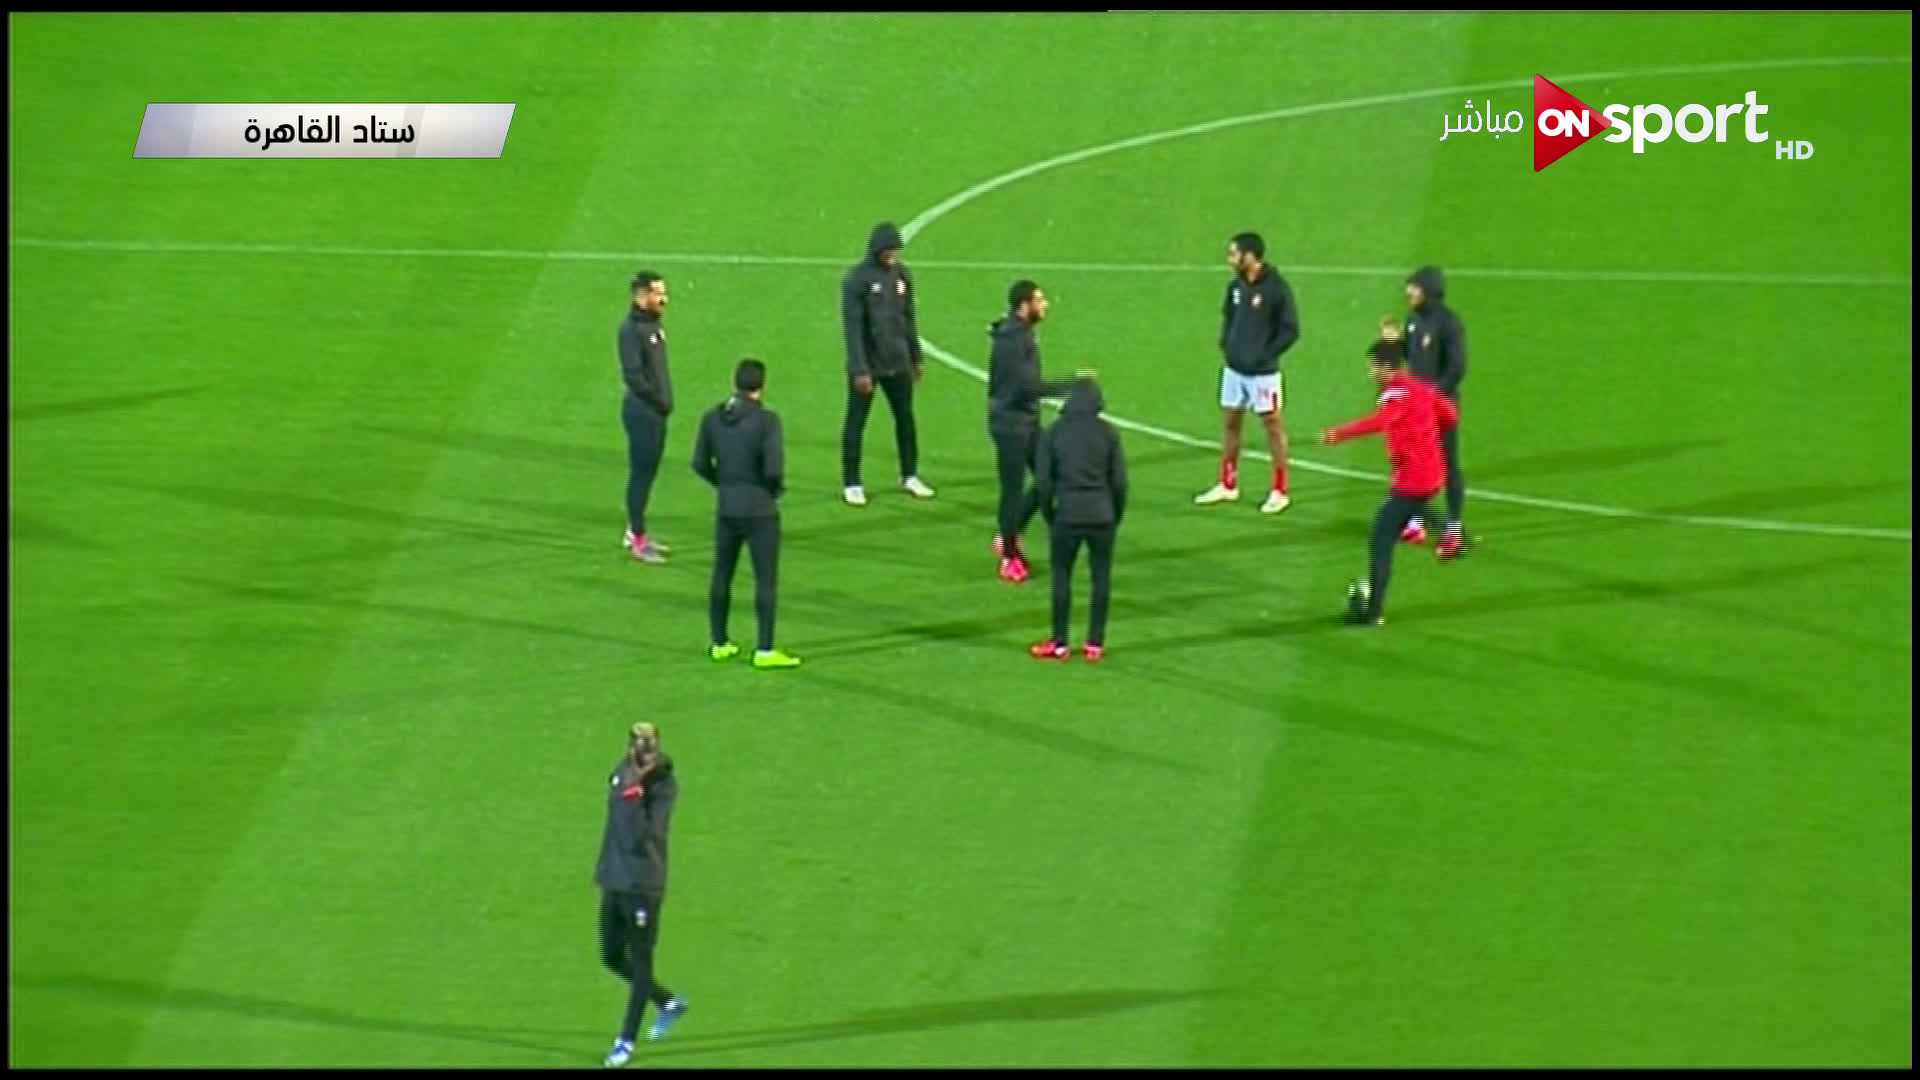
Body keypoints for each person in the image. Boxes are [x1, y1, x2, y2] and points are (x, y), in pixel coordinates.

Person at [1318, 338, 1458, 627]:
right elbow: (1449, 414)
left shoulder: (1394, 394)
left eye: (1373, 367)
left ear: (1386, 367)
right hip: (1433, 473)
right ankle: (1452, 533)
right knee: (1413, 508)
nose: (1370, 373)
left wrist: (1339, 434)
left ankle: (1373, 612)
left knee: (1381, 537)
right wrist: (1426, 439)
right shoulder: (1421, 387)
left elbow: (1381, 420)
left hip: (1413, 479)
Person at [691, 358, 801, 669]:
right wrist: (772, 491)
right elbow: (773, 469)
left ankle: (719, 643)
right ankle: (764, 649)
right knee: (765, 579)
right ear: (761, 386)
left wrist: (724, 484)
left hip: (727, 507)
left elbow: (699, 463)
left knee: (722, 573)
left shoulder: (712, 418)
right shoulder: (767, 421)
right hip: (760, 511)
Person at [596, 722, 687, 1068]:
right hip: (614, 880)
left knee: (641, 962)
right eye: (638, 745)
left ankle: (626, 1041)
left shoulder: (663, 786)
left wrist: (636, 795)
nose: (644, 752)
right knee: (610, 956)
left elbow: (645, 835)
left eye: (649, 745)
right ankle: (667, 1003)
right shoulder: (621, 772)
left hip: (642, 887)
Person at [1194, 231, 1301, 515]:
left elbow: (1290, 330)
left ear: (1250, 256)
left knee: (1273, 428)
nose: (1229, 259)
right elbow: (1228, 317)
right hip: (1234, 370)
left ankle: (1280, 490)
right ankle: (1228, 484)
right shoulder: (1236, 286)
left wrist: (1264, 355)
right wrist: (1228, 345)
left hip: (1263, 375)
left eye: (1234, 254)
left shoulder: (1276, 289)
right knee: (1231, 424)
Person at [1030, 377, 1128, 662]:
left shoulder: (1054, 433)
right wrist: (1115, 514)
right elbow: (1119, 482)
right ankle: (1094, 643)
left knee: (1062, 576)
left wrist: (1049, 514)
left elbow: (1043, 483)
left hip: (1067, 514)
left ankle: (1060, 642)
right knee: (1101, 577)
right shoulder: (1108, 433)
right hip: (1102, 515)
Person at [986, 280, 1077, 584]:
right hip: (1010, 426)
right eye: (1039, 300)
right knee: (1012, 491)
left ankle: (1011, 534)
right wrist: (1071, 386)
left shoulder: (1020, 333)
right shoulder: (1014, 341)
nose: (1045, 304)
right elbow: (1027, 388)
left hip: (1025, 421)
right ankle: (1009, 557)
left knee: (1050, 475)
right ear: (1024, 306)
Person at [839, 221, 935, 507]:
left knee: (905, 418)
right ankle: (852, 482)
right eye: (889, 251)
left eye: (896, 251)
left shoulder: (902, 275)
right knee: (856, 423)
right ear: (877, 250)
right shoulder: (857, 280)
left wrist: (916, 357)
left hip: (898, 361)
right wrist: (859, 369)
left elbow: (909, 319)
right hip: (869, 366)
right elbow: (853, 328)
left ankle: (909, 475)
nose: (893, 256)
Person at [1400, 265, 1469, 558]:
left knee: (1448, 465)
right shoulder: (1413, 319)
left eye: (1414, 287)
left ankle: (1453, 528)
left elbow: (1457, 367)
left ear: (1429, 291)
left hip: (1441, 406)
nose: (1408, 292)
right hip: (1416, 406)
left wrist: (1433, 396)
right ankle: (1416, 520)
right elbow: (1409, 355)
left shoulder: (1449, 323)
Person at [618, 271, 675, 565]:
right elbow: (634, 376)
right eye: (658, 293)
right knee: (641, 474)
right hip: (643, 413)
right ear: (642, 295)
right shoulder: (631, 330)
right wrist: (659, 401)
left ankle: (635, 531)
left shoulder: (653, 324)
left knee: (648, 473)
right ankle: (637, 539)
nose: (664, 299)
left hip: (655, 412)